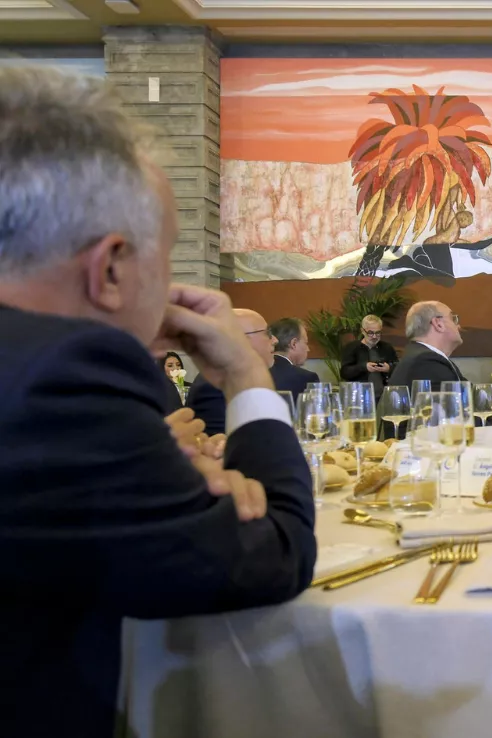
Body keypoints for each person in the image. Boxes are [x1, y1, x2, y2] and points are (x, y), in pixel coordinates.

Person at [0, 66, 315, 738]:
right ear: (110, 268)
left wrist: (148, 462)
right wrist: (244, 375)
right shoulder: (61, 378)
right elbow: (272, 555)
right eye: (167, 259)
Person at [187, 308, 278, 435]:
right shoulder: (214, 386)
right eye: (267, 333)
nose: (275, 340)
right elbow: (226, 445)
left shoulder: (240, 378)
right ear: (241, 339)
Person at [389, 301, 467, 389]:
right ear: (438, 324)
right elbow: (456, 400)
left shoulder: (425, 357)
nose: (459, 326)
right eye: (453, 319)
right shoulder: (426, 361)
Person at [341, 314, 398, 396]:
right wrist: (364, 367)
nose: (374, 336)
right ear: (362, 331)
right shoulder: (352, 348)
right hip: (359, 395)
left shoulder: (387, 348)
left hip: (384, 395)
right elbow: (344, 372)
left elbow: (398, 367)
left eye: (378, 333)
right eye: (370, 333)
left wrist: (389, 368)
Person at [269, 316, 320, 396]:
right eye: (306, 343)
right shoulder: (306, 378)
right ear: (294, 344)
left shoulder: (255, 373)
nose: (308, 349)